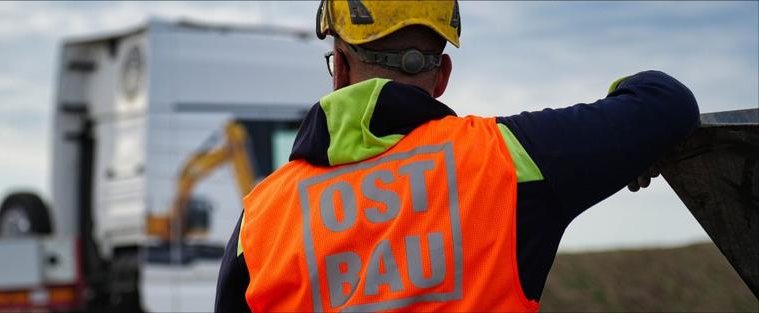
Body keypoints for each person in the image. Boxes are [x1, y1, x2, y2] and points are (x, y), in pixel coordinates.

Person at [215, 1, 699, 312]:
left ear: (339, 66)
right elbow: (665, 102)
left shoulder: (260, 220)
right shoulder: (505, 162)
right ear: (441, 75)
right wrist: (631, 151)